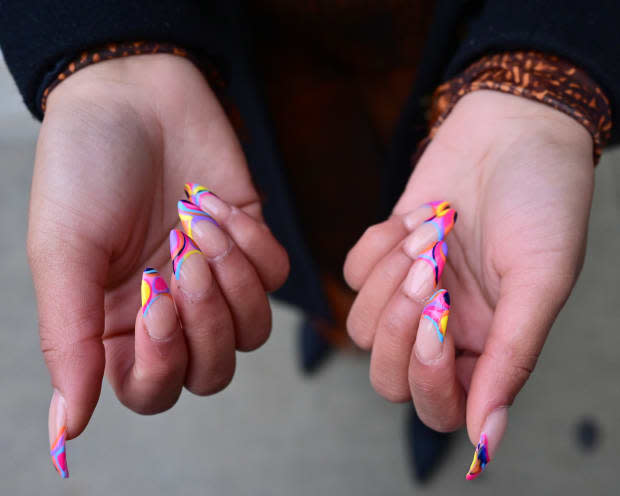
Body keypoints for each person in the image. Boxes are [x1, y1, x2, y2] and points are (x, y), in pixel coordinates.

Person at [1, 0, 617, 482]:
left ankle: (426, 386)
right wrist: (112, 54)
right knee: (286, 235)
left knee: (433, 307)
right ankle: (329, 319)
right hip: (245, 54)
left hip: (456, 41)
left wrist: (548, 78)